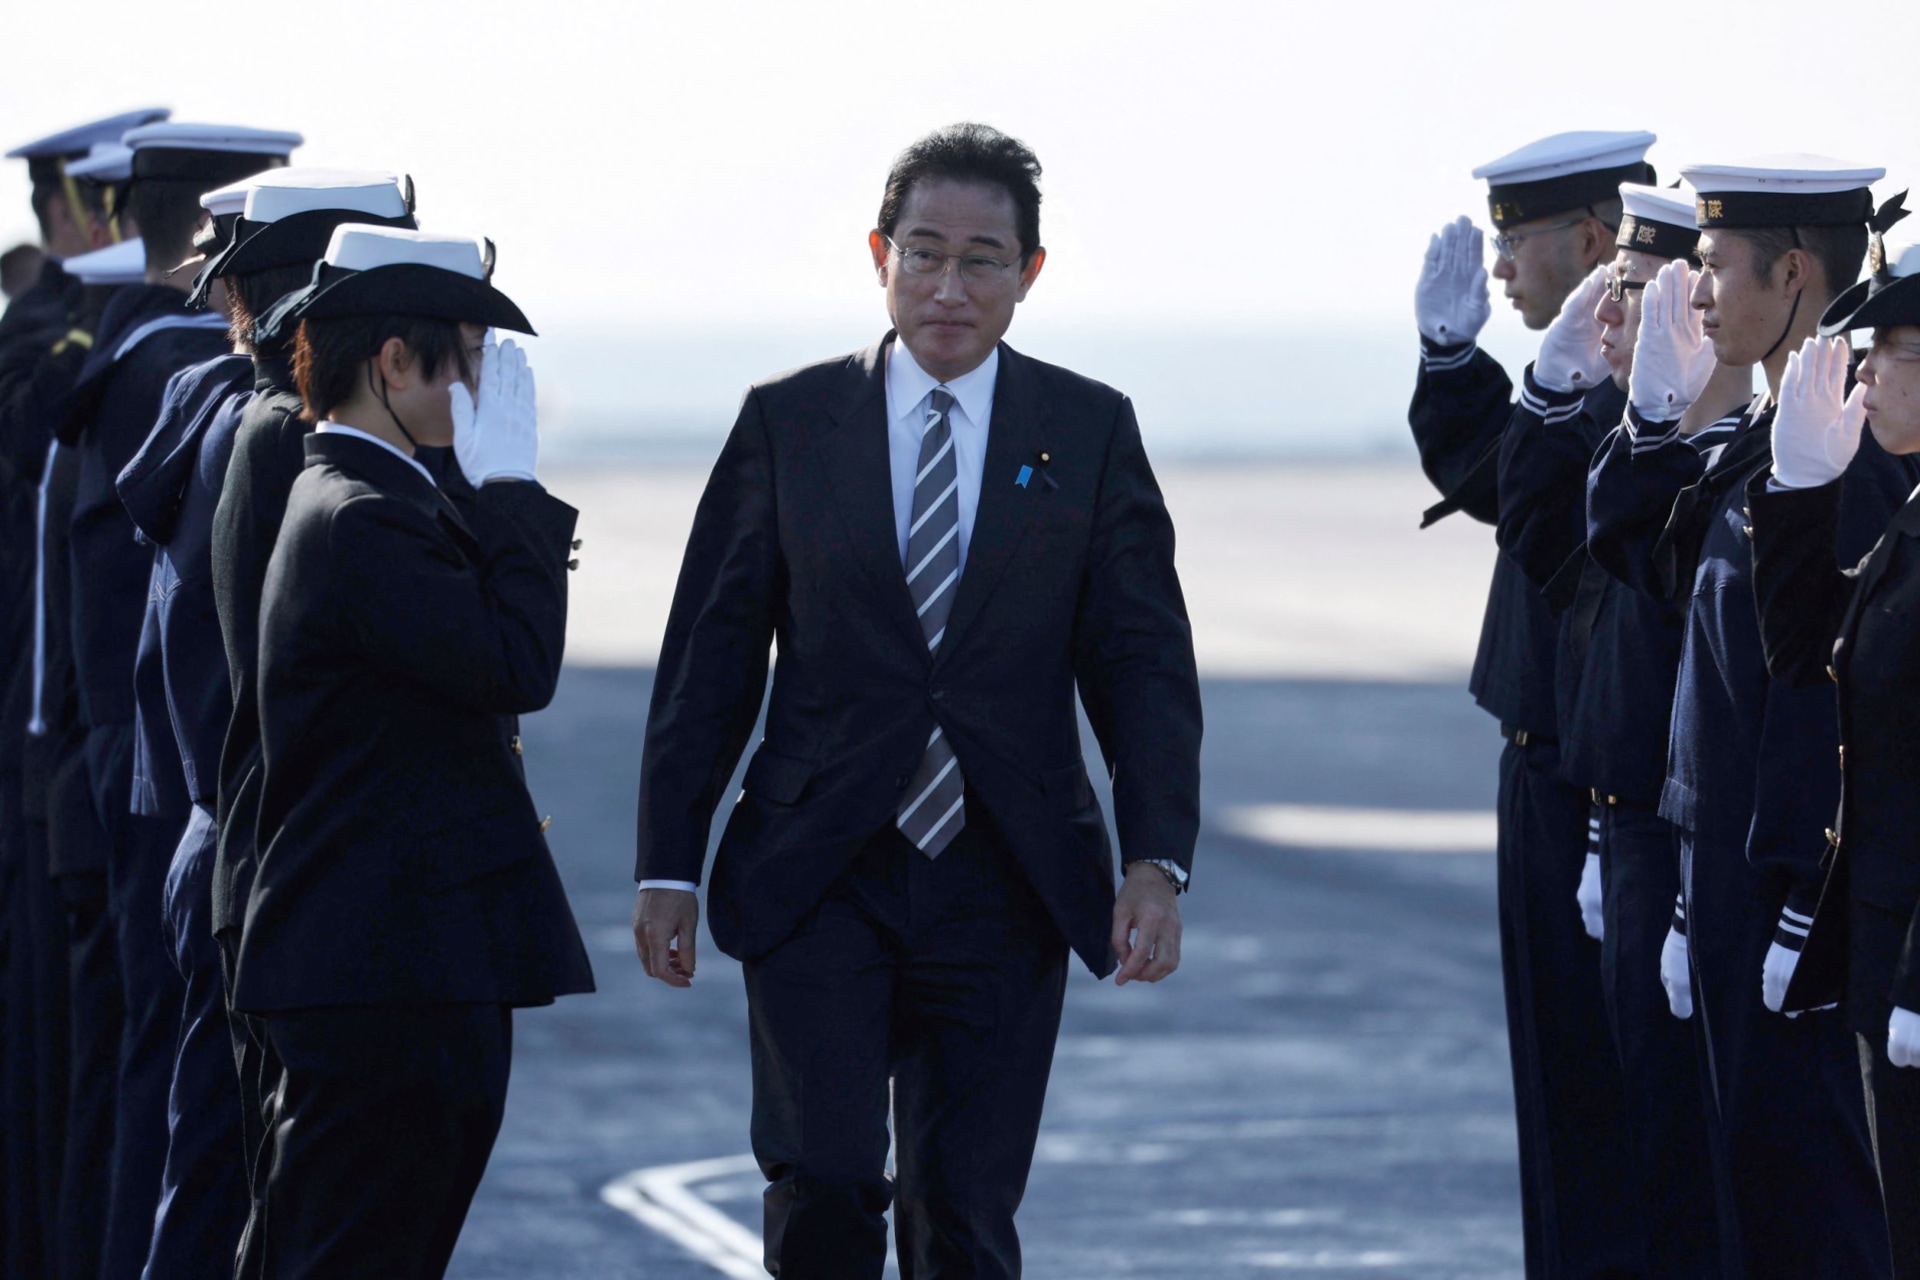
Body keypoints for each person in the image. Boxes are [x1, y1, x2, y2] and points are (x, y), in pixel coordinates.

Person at [634, 121, 1201, 1278]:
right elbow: (713, 654)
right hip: (818, 866)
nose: (951, 285)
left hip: (1007, 873)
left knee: (963, 1216)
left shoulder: (1086, 431)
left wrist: (1156, 856)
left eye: (984, 257)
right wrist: (667, 862)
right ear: (879, 254)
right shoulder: (789, 422)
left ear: (1029, 274)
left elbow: (1142, 658)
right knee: (828, 1180)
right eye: (926, 252)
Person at [230, 225, 592, 1279]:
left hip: (389, 965)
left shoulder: (367, 497)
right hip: (386, 974)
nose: (480, 388)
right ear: (393, 361)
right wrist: (514, 489)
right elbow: (515, 661)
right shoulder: (360, 516)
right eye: (465, 359)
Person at [1592, 154, 1906, 1276]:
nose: (1699, 292)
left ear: (1793, 269)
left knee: (1816, 1209)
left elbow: (1837, 693)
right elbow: (1634, 555)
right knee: (1751, 1203)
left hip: (1789, 893)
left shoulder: (1854, 462)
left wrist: (1796, 912)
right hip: (1720, 874)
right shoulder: (1768, 445)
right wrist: (1653, 416)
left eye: (1717, 266)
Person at [116, 167, 417, 1279]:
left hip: (220, 838)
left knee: (213, 1179)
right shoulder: (294, 440)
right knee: (249, 1202)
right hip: (278, 855)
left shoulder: (224, 407)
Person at [60, 118, 299, 1280]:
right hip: (199, 805)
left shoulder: (150, 372)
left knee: (157, 1111)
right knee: (199, 1139)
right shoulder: (206, 388)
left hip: (146, 785)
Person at [1408, 130, 1647, 1277]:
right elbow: (1501, 477)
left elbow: (1536, 503)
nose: (1500, 265)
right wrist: (1452, 362)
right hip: (1546, 756)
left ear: (1593, 243)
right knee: (1560, 1081)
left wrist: (1490, 381)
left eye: (1516, 238)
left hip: (1596, 771)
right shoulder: (1583, 375)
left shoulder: (1639, 382)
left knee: (1603, 1089)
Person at [0, 105, 166, 1280]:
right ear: (84, 211)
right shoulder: (63, 343)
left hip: (71, 759)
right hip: (60, 758)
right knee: (81, 1084)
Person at [1747, 219, 1920, 1273]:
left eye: (1884, 358)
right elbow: (1802, 648)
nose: (1861, 376)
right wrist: (1801, 491)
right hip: (1881, 951)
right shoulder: (1907, 522)